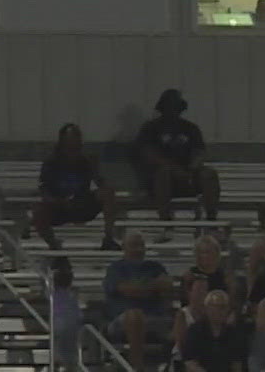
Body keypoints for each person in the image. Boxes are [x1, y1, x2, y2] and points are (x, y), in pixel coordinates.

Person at [136, 88, 221, 221]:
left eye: (176, 107)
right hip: (159, 180)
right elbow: (147, 153)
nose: (173, 110)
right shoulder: (150, 128)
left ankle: (211, 220)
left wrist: (192, 168)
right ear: (162, 108)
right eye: (169, 106)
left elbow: (199, 151)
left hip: (187, 176)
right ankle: (166, 221)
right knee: (163, 173)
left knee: (209, 174)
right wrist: (173, 168)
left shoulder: (190, 128)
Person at [34, 122, 120, 250]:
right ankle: (54, 246)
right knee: (38, 211)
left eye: (77, 143)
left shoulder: (86, 161)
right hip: (59, 206)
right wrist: (58, 201)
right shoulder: (51, 162)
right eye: (70, 144)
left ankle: (108, 239)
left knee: (108, 193)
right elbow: (44, 189)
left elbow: (100, 183)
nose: (74, 147)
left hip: (80, 204)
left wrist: (98, 174)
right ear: (62, 143)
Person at [104, 230, 176, 371]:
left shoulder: (155, 267)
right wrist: (153, 286)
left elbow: (167, 286)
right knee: (135, 315)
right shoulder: (116, 269)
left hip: (156, 318)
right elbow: (130, 290)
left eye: (140, 245)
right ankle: (137, 367)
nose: (138, 249)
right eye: (133, 245)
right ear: (124, 248)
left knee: (184, 317)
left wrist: (140, 289)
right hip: (121, 321)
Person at [182, 288, 248, 372]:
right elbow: (190, 363)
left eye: (223, 307)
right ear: (207, 309)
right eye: (215, 307)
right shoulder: (195, 331)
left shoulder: (235, 334)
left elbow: (237, 365)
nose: (219, 311)